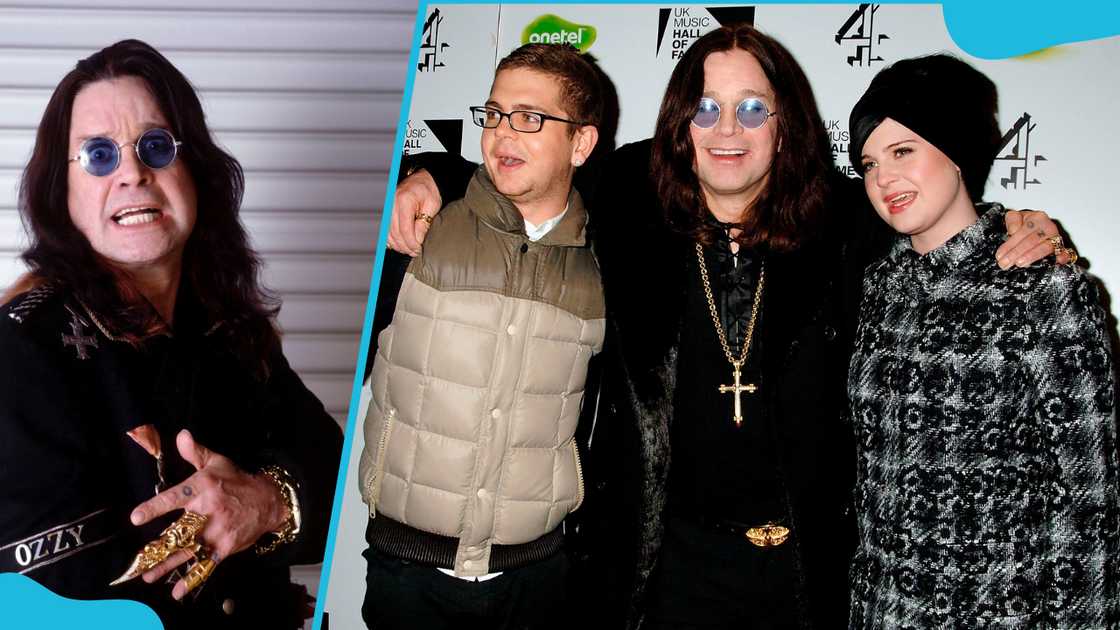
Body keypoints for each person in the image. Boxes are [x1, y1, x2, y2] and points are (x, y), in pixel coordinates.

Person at [386, 25, 1067, 628]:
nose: (727, 129)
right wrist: (430, 174)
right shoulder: (629, 197)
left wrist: (1005, 222)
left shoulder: (841, 219)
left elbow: (928, 214)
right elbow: (528, 170)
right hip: (665, 572)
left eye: (750, 109)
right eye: (706, 109)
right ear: (682, 125)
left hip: (807, 574)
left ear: (783, 123)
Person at [0, 40, 343, 629]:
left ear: (197, 174)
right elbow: (50, 598)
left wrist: (265, 501)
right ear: (63, 193)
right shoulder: (21, 349)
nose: (132, 172)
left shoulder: (232, 331)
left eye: (155, 147)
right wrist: (249, 516)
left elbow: (341, 482)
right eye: (99, 155)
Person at [846, 54, 1119, 628]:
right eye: (869, 163)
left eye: (903, 152)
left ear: (958, 151)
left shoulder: (1042, 285)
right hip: (882, 612)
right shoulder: (877, 288)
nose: (883, 179)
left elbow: (1093, 496)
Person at [357, 43, 603, 630]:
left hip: (537, 582)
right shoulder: (416, 225)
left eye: (529, 118)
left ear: (582, 143)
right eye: (493, 114)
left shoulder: (604, 261)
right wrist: (419, 172)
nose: (501, 134)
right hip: (407, 575)